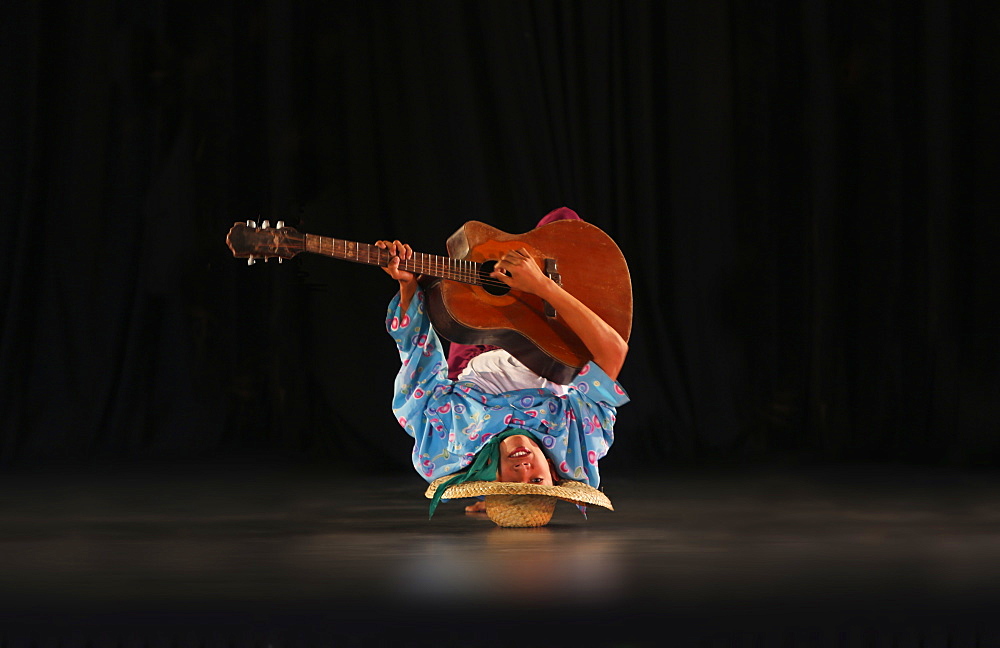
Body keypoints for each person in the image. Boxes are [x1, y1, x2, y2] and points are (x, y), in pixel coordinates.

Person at [376, 208, 629, 527]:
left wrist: (409, 288)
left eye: (511, 483)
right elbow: (613, 351)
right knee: (567, 232)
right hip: (545, 348)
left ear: (491, 479)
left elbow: (419, 365)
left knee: (474, 277)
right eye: (536, 483)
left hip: (471, 350)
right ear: (553, 477)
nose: (524, 470)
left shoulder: (444, 452)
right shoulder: (579, 447)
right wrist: (543, 286)